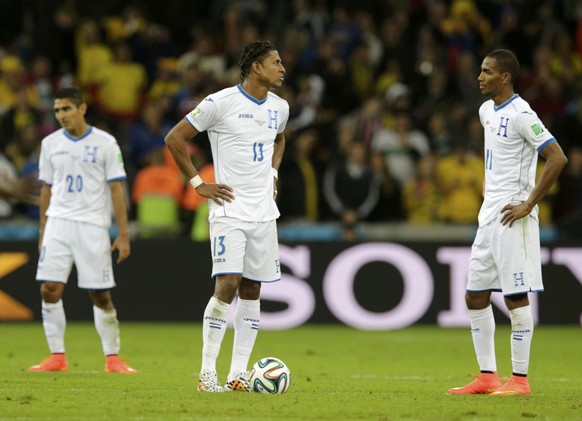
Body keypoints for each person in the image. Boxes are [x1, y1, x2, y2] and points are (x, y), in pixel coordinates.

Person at [164, 40, 288, 392]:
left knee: (252, 289)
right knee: (229, 283)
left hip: (264, 212)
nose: (282, 69)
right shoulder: (220, 103)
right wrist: (198, 183)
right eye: (276, 63)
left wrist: (274, 174)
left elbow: (279, 140)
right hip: (229, 209)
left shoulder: (280, 107)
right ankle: (207, 374)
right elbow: (174, 137)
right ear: (256, 68)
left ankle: (237, 375)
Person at [448, 50, 568, 396]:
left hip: (514, 216)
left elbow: (556, 157)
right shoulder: (486, 110)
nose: (480, 77)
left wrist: (529, 203)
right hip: (489, 216)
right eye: (480, 70)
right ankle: (487, 376)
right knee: (475, 296)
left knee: (515, 297)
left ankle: (520, 380)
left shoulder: (522, 114)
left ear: (505, 77)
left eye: (487, 72)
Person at [29, 86, 137, 374]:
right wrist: (43, 231)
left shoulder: (106, 143)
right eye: (57, 110)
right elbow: (46, 190)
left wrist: (123, 234)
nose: (61, 115)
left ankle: (113, 358)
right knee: (49, 289)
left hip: (92, 225)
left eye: (66, 109)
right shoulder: (50, 143)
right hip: (58, 224)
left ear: (82, 109)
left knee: (99, 294)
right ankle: (57, 357)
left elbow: (117, 190)